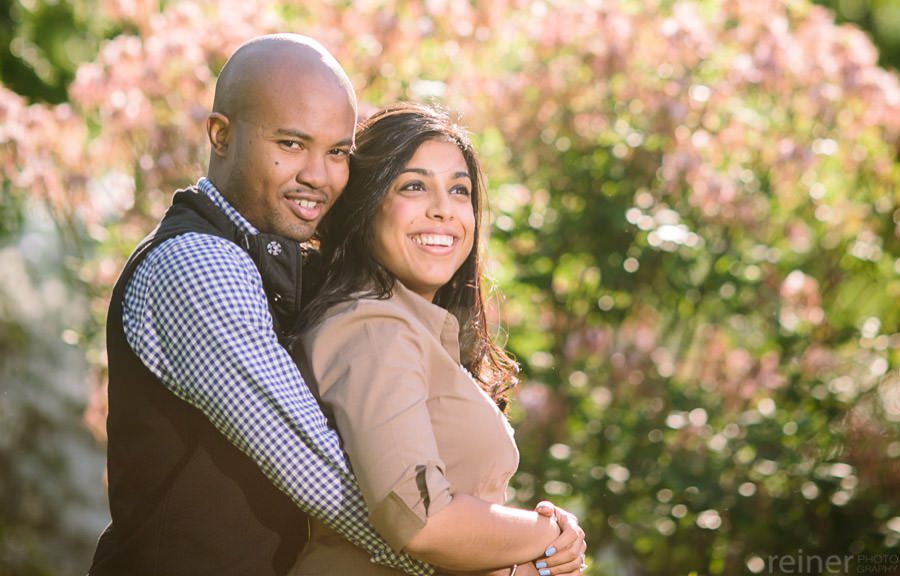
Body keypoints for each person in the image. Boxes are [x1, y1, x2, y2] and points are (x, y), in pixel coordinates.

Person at [88, 34, 433, 576]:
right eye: (292, 144)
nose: (318, 176)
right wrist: (455, 559)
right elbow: (314, 468)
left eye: (337, 152)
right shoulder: (198, 263)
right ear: (221, 135)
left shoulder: (278, 258)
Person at [291, 102, 588, 576]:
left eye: (458, 190)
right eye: (413, 186)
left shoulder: (413, 330)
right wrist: (549, 535)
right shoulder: (373, 330)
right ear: (365, 207)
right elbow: (422, 521)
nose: (443, 210)